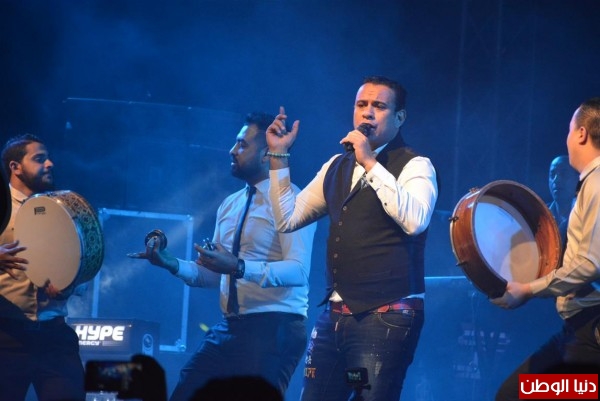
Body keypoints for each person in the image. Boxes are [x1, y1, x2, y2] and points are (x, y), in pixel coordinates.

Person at [266, 75, 439, 400]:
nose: (367, 113)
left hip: (387, 316)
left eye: (379, 106)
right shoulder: (336, 166)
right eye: (362, 104)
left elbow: (415, 221)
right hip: (335, 314)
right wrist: (278, 157)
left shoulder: (416, 165)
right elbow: (288, 218)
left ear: (400, 117)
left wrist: (369, 162)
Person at [128, 112, 316, 401]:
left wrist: (239, 266)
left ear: (267, 153)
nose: (232, 150)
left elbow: (298, 271)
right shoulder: (230, 204)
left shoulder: (293, 200)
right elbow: (214, 275)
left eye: (242, 144)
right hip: (231, 325)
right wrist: (171, 263)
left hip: (274, 325)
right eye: (235, 143)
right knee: (188, 389)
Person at [492, 98, 600, 400]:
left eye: (569, 130)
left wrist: (528, 288)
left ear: (581, 133)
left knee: (513, 394)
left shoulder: (597, 183)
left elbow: (591, 263)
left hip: (589, 331)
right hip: (577, 329)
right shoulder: (589, 184)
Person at [0, 133, 86, 401]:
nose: (49, 164)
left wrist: (69, 287)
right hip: (6, 337)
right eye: (39, 159)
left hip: (54, 337)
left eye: (48, 158)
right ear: (15, 167)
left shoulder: (63, 208)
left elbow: (80, 262)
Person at [547, 154, 579, 248]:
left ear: (577, 179)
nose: (556, 180)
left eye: (564, 174)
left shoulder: (584, 215)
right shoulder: (540, 214)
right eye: (552, 174)